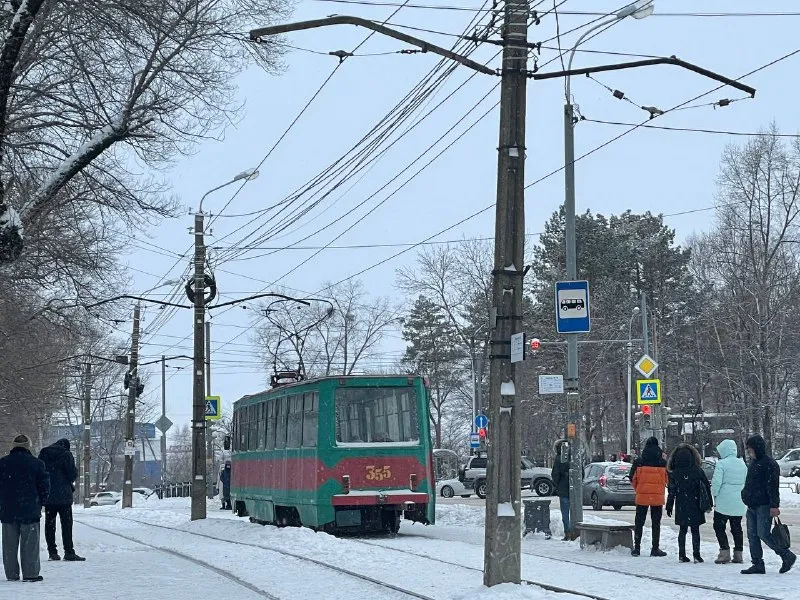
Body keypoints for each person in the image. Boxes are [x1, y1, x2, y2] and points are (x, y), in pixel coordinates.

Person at [740, 435, 797, 574]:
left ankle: (786, 555)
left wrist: (774, 505)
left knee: (763, 533)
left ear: (757, 448)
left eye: (750, 449)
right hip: (752, 504)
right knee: (752, 535)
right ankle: (757, 563)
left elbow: (773, 486)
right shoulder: (753, 463)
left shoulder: (769, 464)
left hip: (764, 505)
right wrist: (745, 494)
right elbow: (750, 482)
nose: (748, 452)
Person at [0, 434, 50, 582]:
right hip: (30, 509)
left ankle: (11, 574)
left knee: (9, 545)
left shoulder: (2, 463)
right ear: (28, 446)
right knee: (30, 545)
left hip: (7, 510)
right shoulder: (37, 464)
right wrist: (41, 502)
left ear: (13, 446)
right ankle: (31, 573)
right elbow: (44, 487)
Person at [38, 438, 84, 562]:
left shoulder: (44, 453)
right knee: (67, 524)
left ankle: (52, 552)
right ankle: (69, 552)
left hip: (49, 495)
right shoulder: (66, 454)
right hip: (64, 496)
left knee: (50, 524)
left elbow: (39, 472)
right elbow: (72, 474)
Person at [666, 443, 712, 563]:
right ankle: (696, 554)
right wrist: (709, 503)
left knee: (683, 529)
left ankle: (682, 554)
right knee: (695, 530)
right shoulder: (697, 470)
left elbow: (672, 490)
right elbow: (706, 486)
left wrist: (669, 505)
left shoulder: (674, 472)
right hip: (695, 503)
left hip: (681, 503)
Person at [710, 439, 747, 564]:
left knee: (719, 526)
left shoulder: (722, 464)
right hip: (739, 502)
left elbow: (716, 483)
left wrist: (714, 495)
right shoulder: (742, 464)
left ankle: (724, 552)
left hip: (723, 503)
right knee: (736, 528)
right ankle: (738, 554)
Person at [630, 437, 668, 557]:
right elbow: (668, 479)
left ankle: (637, 548)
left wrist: (639, 489)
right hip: (657, 497)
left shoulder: (639, 462)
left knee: (639, 522)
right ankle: (655, 548)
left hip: (642, 496)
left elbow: (632, 478)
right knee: (656, 523)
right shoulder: (662, 463)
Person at [551, 440, 572, 541]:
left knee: (565, 513)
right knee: (574, 512)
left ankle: (568, 532)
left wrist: (558, 484)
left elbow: (555, 475)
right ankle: (576, 531)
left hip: (564, 490)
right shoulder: (575, 457)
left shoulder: (559, 459)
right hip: (575, 490)